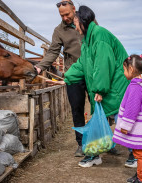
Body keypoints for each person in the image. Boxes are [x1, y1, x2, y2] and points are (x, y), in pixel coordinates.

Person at [52, 5, 130, 167]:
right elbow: (82, 64)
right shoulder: (88, 40)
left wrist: (100, 90)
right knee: (99, 118)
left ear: (83, 22)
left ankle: (136, 154)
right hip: (106, 84)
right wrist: (66, 79)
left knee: (121, 120)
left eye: (76, 23)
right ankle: (94, 154)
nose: (75, 27)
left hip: (115, 85)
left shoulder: (99, 36)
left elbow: (103, 64)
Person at [34, 0, 86, 157]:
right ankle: (81, 143)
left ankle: (103, 140)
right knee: (77, 110)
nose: (65, 18)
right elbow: (53, 51)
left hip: (91, 73)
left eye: (67, 14)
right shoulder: (59, 30)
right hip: (73, 75)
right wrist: (39, 67)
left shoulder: (86, 22)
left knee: (99, 107)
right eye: (62, 15)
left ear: (74, 9)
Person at [112, 53, 142, 183]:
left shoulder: (135, 87)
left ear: (131, 69)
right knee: (139, 153)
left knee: (140, 154)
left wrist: (125, 126)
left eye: (124, 69)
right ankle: (139, 175)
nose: (123, 72)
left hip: (138, 127)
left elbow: (132, 109)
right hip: (140, 126)